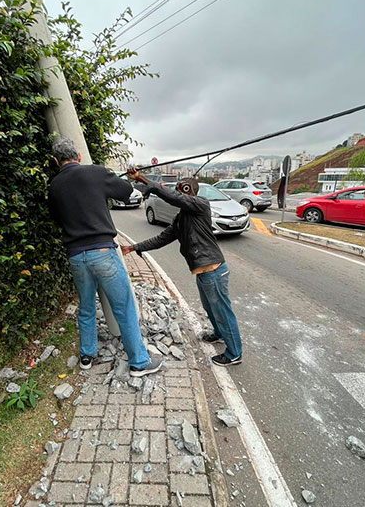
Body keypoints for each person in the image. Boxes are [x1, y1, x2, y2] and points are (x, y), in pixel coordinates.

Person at [48, 139, 161, 376]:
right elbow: (126, 192)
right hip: (103, 253)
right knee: (124, 307)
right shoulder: (95, 173)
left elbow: (58, 219)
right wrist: (126, 177)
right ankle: (139, 362)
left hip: (76, 257)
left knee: (86, 307)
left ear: (56, 161)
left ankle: (87, 356)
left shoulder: (54, 186)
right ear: (79, 156)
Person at [123, 169, 242, 367]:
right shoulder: (181, 219)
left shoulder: (200, 204)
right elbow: (161, 239)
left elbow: (174, 197)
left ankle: (234, 353)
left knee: (222, 312)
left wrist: (142, 179)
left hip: (213, 270)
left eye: (181, 191)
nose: (177, 195)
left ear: (189, 192)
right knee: (210, 308)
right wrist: (134, 247)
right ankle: (219, 334)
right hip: (203, 273)